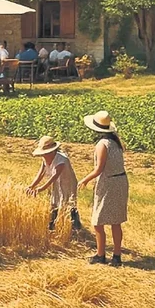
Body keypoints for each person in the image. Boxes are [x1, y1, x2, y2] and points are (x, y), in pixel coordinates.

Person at [78, 111, 129, 267]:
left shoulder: (102, 144)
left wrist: (85, 180)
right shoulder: (115, 142)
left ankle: (101, 255)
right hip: (120, 181)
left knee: (98, 221)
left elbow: (99, 169)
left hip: (109, 183)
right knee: (116, 221)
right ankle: (117, 256)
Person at [26, 136, 82, 231]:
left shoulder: (61, 160)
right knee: (54, 202)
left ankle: (75, 227)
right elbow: (41, 173)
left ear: (52, 151)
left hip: (68, 183)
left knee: (69, 203)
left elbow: (54, 177)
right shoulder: (45, 158)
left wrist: (41, 189)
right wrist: (32, 185)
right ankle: (52, 225)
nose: (43, 155)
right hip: (57, 183)